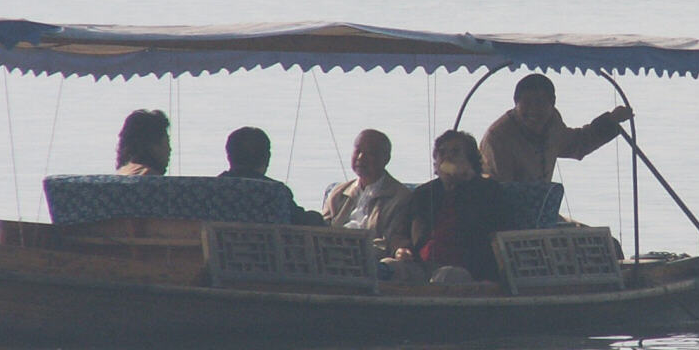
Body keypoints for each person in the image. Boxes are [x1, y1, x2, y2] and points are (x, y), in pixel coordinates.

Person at [395, 130, 510, 283]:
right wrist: (401, 249)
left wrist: (468, 184)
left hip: (466, 269)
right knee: (389, 268)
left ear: (470, 161)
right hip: (421, 265)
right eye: (442, 152)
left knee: (446, 276)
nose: (447, 157)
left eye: (455, 152)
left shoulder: (488, 191)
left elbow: (491, 233)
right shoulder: (423, 193)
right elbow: (401, 232)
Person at [478, 73, 634, 183]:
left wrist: (611, 120)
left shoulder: (552, 122)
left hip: (537, 213)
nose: (533, 110)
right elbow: (500, 189)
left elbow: (578, 143)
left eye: (540, 102)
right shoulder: (498, 138)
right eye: (527, 103)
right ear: (515, 103)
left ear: (552, 102)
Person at [322, 128, 413, 257]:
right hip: (333, 257)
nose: (360, 158)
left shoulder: (400, 197)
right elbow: (321, 231)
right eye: (357, 151)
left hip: (371, 260)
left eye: (370, 153)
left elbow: (391, 242)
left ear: (385, 158)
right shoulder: (338, 192)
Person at [218, 125, 321, 224]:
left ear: (228, 157)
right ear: (267, 158)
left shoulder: (207, 190)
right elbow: (302, 221)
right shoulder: (276, 192)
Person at [116, 109, 170, 175]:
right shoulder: (150, 177)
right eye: (166, 143)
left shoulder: (120, 173)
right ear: (152, 146)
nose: (170, 150)